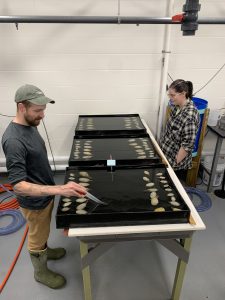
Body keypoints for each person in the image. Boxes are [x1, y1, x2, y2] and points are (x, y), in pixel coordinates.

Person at [1, 84, 87, 289]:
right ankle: (40, 272)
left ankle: (45, 250)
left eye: (43, 109)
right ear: (21, 107)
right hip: (34, 202)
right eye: (37, 111)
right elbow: (19, 185)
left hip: (44, 195)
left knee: (43, 230)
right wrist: (59, 189)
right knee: (36, 235)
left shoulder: (30, 126)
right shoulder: (14, 140)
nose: (43, 115)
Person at [160, 79, 200, 181]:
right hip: (166, 156)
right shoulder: (176, 107)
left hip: (175, 164)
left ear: (183, 94)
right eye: (169, 95)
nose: (170, 98)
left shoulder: (189, 116)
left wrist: (173, 165)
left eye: (172, 95)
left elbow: (187, 146)